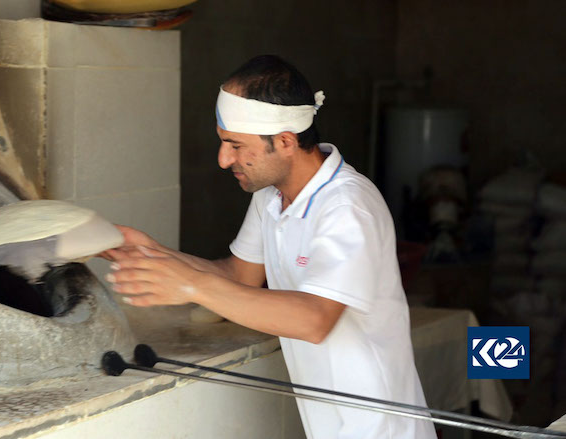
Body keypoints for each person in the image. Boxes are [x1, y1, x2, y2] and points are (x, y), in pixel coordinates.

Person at [103, 55, 436, 439]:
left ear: (284, 141)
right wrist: (153, 253)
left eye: (234, 145)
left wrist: (191, 286)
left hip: (380, 430)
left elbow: (314, 319)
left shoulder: (347, 207)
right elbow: (239, 275)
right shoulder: (271, 197)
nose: (223, 159)